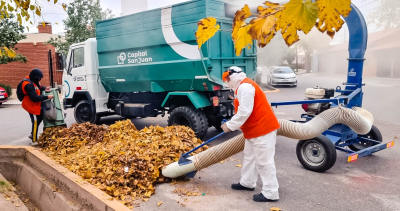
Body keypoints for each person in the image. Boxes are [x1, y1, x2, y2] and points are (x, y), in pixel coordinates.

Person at [221, 66, 281, 202]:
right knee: (250, 157)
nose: (226, 81)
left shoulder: (245, 87)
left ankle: (270, 192)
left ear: (234, 76)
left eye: (227, 77)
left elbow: (245, 111)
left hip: (262, 130)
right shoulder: (241, 87)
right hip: (253, 131)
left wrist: (229, 126)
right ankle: (247, 183)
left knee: (264, 162)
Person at [21, 68, 53, 145]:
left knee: (40, 116)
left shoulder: (33, 81)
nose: (39, 80)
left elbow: (39, 87)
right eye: (38, 78)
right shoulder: (27, 84)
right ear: (35, 77)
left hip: (34, 104)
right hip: (30, 105)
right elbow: (34, 98)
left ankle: (33, 133)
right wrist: (46, 97)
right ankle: (34, 140)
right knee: (35, 121)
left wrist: (46, 88)